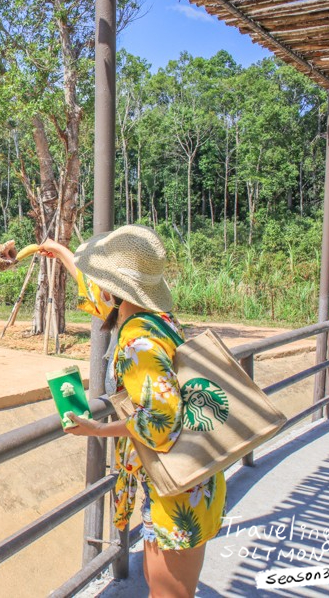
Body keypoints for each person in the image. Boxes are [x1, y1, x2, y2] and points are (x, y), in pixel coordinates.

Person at [37, 225, 225, 598]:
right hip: (188, 479)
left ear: (116, 288)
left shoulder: (139, 341)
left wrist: (98, 430)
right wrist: (59, 251)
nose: (95, 287)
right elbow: (94, 291)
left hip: (177, 493)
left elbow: (162, 423)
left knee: (168, 594)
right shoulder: (155, 317)